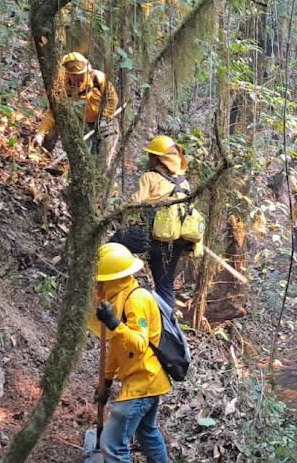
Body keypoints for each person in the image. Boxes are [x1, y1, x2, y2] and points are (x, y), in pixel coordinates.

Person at [90, 242, 170, 463]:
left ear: (112, 279)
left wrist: (115, 324)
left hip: (143, 382)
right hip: (145, 381)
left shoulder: (137, 299)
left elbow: (139, 344)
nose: (97, 286)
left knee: (112, 443)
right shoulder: (119, 299)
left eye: (100, 281)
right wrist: (105, 380)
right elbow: (117, 346)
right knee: (147, 432)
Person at [111, 135, 192, 309]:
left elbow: (133, 205)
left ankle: (102, 286)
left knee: (115, 242)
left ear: (158, 159)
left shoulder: (150, 177)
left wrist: (118, 214)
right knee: (165, 287)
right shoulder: (184, 183)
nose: (148, 159)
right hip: (173, 243)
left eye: (151, 156)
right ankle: (167, 330)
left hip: (150, 236)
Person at [31, 51, 119, 167]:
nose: (76, 78)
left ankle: (100, 180)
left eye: (80, 75)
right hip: (82, 123)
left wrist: (105, 117)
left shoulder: (98, 79)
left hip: (105, 122)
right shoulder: (62, 86)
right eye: (72, 75)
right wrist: (41, 134)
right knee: (85, 157)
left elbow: (112, 99)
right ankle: (41, 160)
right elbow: (54, 112)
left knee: (103, 157)